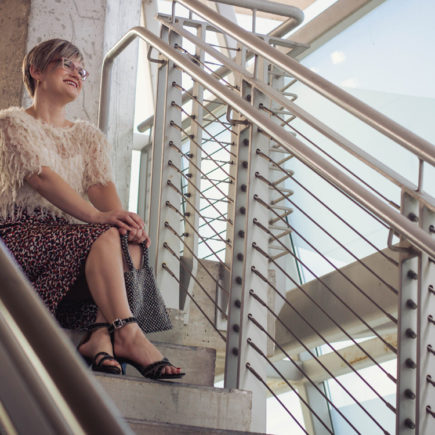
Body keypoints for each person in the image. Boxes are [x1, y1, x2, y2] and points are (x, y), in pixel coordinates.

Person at [0, 39, 183, 380]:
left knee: (128, 241)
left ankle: (100, 333)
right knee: (103, 233)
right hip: (21, 238)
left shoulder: (88, 137)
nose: (77, 73)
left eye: (81, 69)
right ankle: (126, 333)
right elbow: (41, 177)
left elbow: (102, 191)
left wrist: (128, 224)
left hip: (72, 244)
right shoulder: (11, 123)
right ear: (36, 70)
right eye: (66, 64)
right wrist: (97, 218)